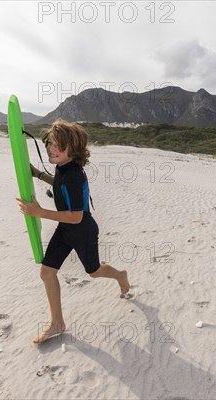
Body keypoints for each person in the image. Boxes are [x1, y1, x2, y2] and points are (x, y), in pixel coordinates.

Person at [15, 119, 131, 345]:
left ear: (74, 149)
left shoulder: (75, 175)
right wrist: (39, 175)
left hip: (82, 230)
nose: (52, 149)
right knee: (47, 273)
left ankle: (120, 275)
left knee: (94, 271)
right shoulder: (63, 168)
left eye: (60, 145)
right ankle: (57, 322)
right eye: (50, 143)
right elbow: (59, 184)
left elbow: (76, 216)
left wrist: (38, 212)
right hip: (65, 229)